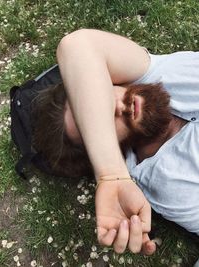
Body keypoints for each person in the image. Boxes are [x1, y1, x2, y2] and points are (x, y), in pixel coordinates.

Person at [32, 29, 199, 261]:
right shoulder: (168, 182)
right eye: (105, 124)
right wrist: (113, 175)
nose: (114, 106)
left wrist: (109, 173)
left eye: (97, 105)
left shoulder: (155, 76)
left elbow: (78, 46)